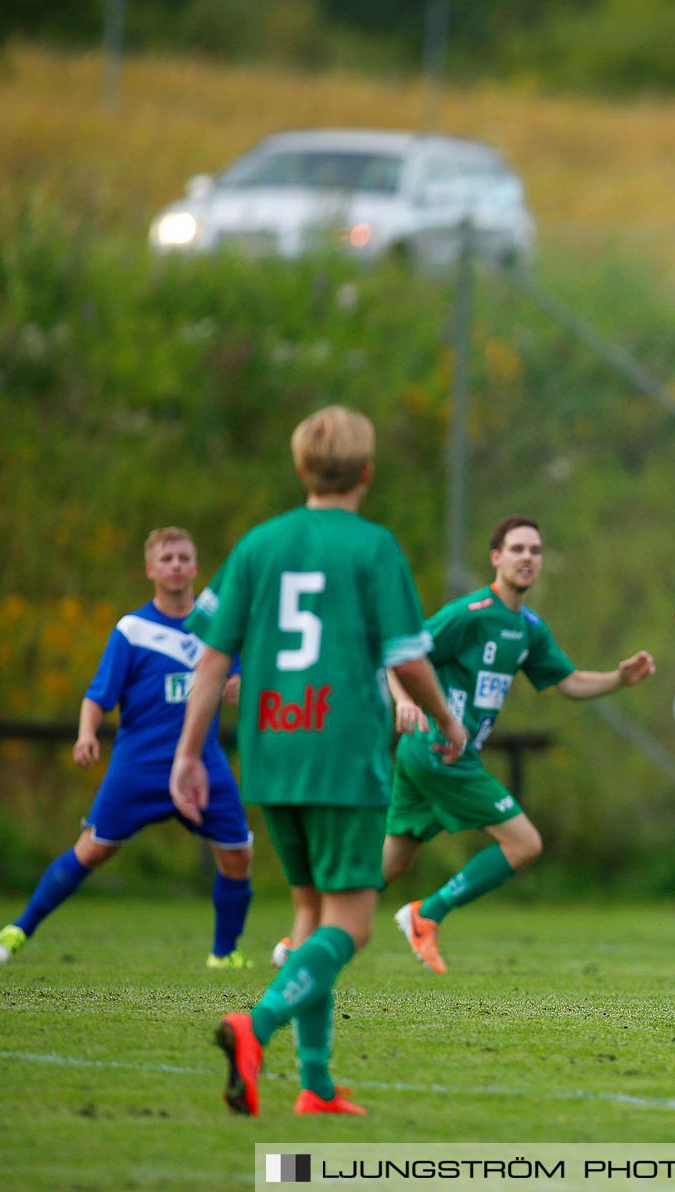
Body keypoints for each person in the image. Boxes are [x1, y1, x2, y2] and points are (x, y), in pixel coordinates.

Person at [172, 405, 467, 1117]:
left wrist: (188, 751)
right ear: (366, 473)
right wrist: (447, 720)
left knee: (309, 909)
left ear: (302, 469)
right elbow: (409, 658)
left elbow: (210, 655)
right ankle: (257, 1024)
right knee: (353, 924)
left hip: (273, 748)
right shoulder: (372, 548)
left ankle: (316, 1085)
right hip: (341, 750)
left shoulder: (259, 545)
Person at [384, 515, 655, 974]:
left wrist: (619, 678)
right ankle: (426, 914)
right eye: (517, 549)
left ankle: (299, 942)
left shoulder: (528, 627)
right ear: (496, 557)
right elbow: (400, 653)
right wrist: (403, 701)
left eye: (535, 550)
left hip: (432, 756)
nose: (527, 557)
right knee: (524, 842)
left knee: (385, 868)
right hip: (439, 751)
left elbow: (569, 682)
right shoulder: (470, 614)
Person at [0, 529, 254, 968]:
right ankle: (21, 927)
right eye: (166, 558)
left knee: (238, 853)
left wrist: (239, 687)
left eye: (184, 557)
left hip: (203, 762)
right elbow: (98, 696)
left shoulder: (217, 630)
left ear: (196, 567)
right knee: (92, 849)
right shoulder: (133, 630)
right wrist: (87, 733)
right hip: (140, 764)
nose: (176, 565)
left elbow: (237, 682)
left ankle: (224, 953)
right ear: (150, 569)